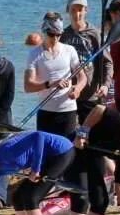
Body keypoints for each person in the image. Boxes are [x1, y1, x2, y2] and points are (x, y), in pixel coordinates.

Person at [24, 12, 84, 140]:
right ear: (44, 31)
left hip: (68, 110)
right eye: (52, 34)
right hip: (46, 111)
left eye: (59, 34)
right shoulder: (34, 54)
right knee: (45, 154)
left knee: (66, 152)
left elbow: (82, 77)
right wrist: (50, 83)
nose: (56, 38)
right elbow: (28, 86)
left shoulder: (70, 50)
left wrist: (77, 89)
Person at [61, 0, 108, 120]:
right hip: (68, 94)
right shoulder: (63, 35)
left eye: (80, 10)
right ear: (67, 11)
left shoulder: (94, 34)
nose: (77, 14)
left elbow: (107, 62)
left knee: (90, 134)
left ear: (86, 10)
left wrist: (105, 84)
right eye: (73, 10)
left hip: (90, 95)